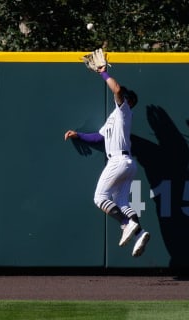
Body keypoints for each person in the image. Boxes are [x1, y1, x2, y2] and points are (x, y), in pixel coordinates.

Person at [64, 65, 150, 257]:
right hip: (127, 163)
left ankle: (125, 224)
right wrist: (79, 135)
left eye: (126, 97)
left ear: (128, 101)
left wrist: (102, 72)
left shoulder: (124, 111)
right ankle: (139, 234)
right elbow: (99, 138)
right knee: (123, 204)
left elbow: (117, 89)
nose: (121, 96)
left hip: (118, 161)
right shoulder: (114, 118)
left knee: (99, 198)